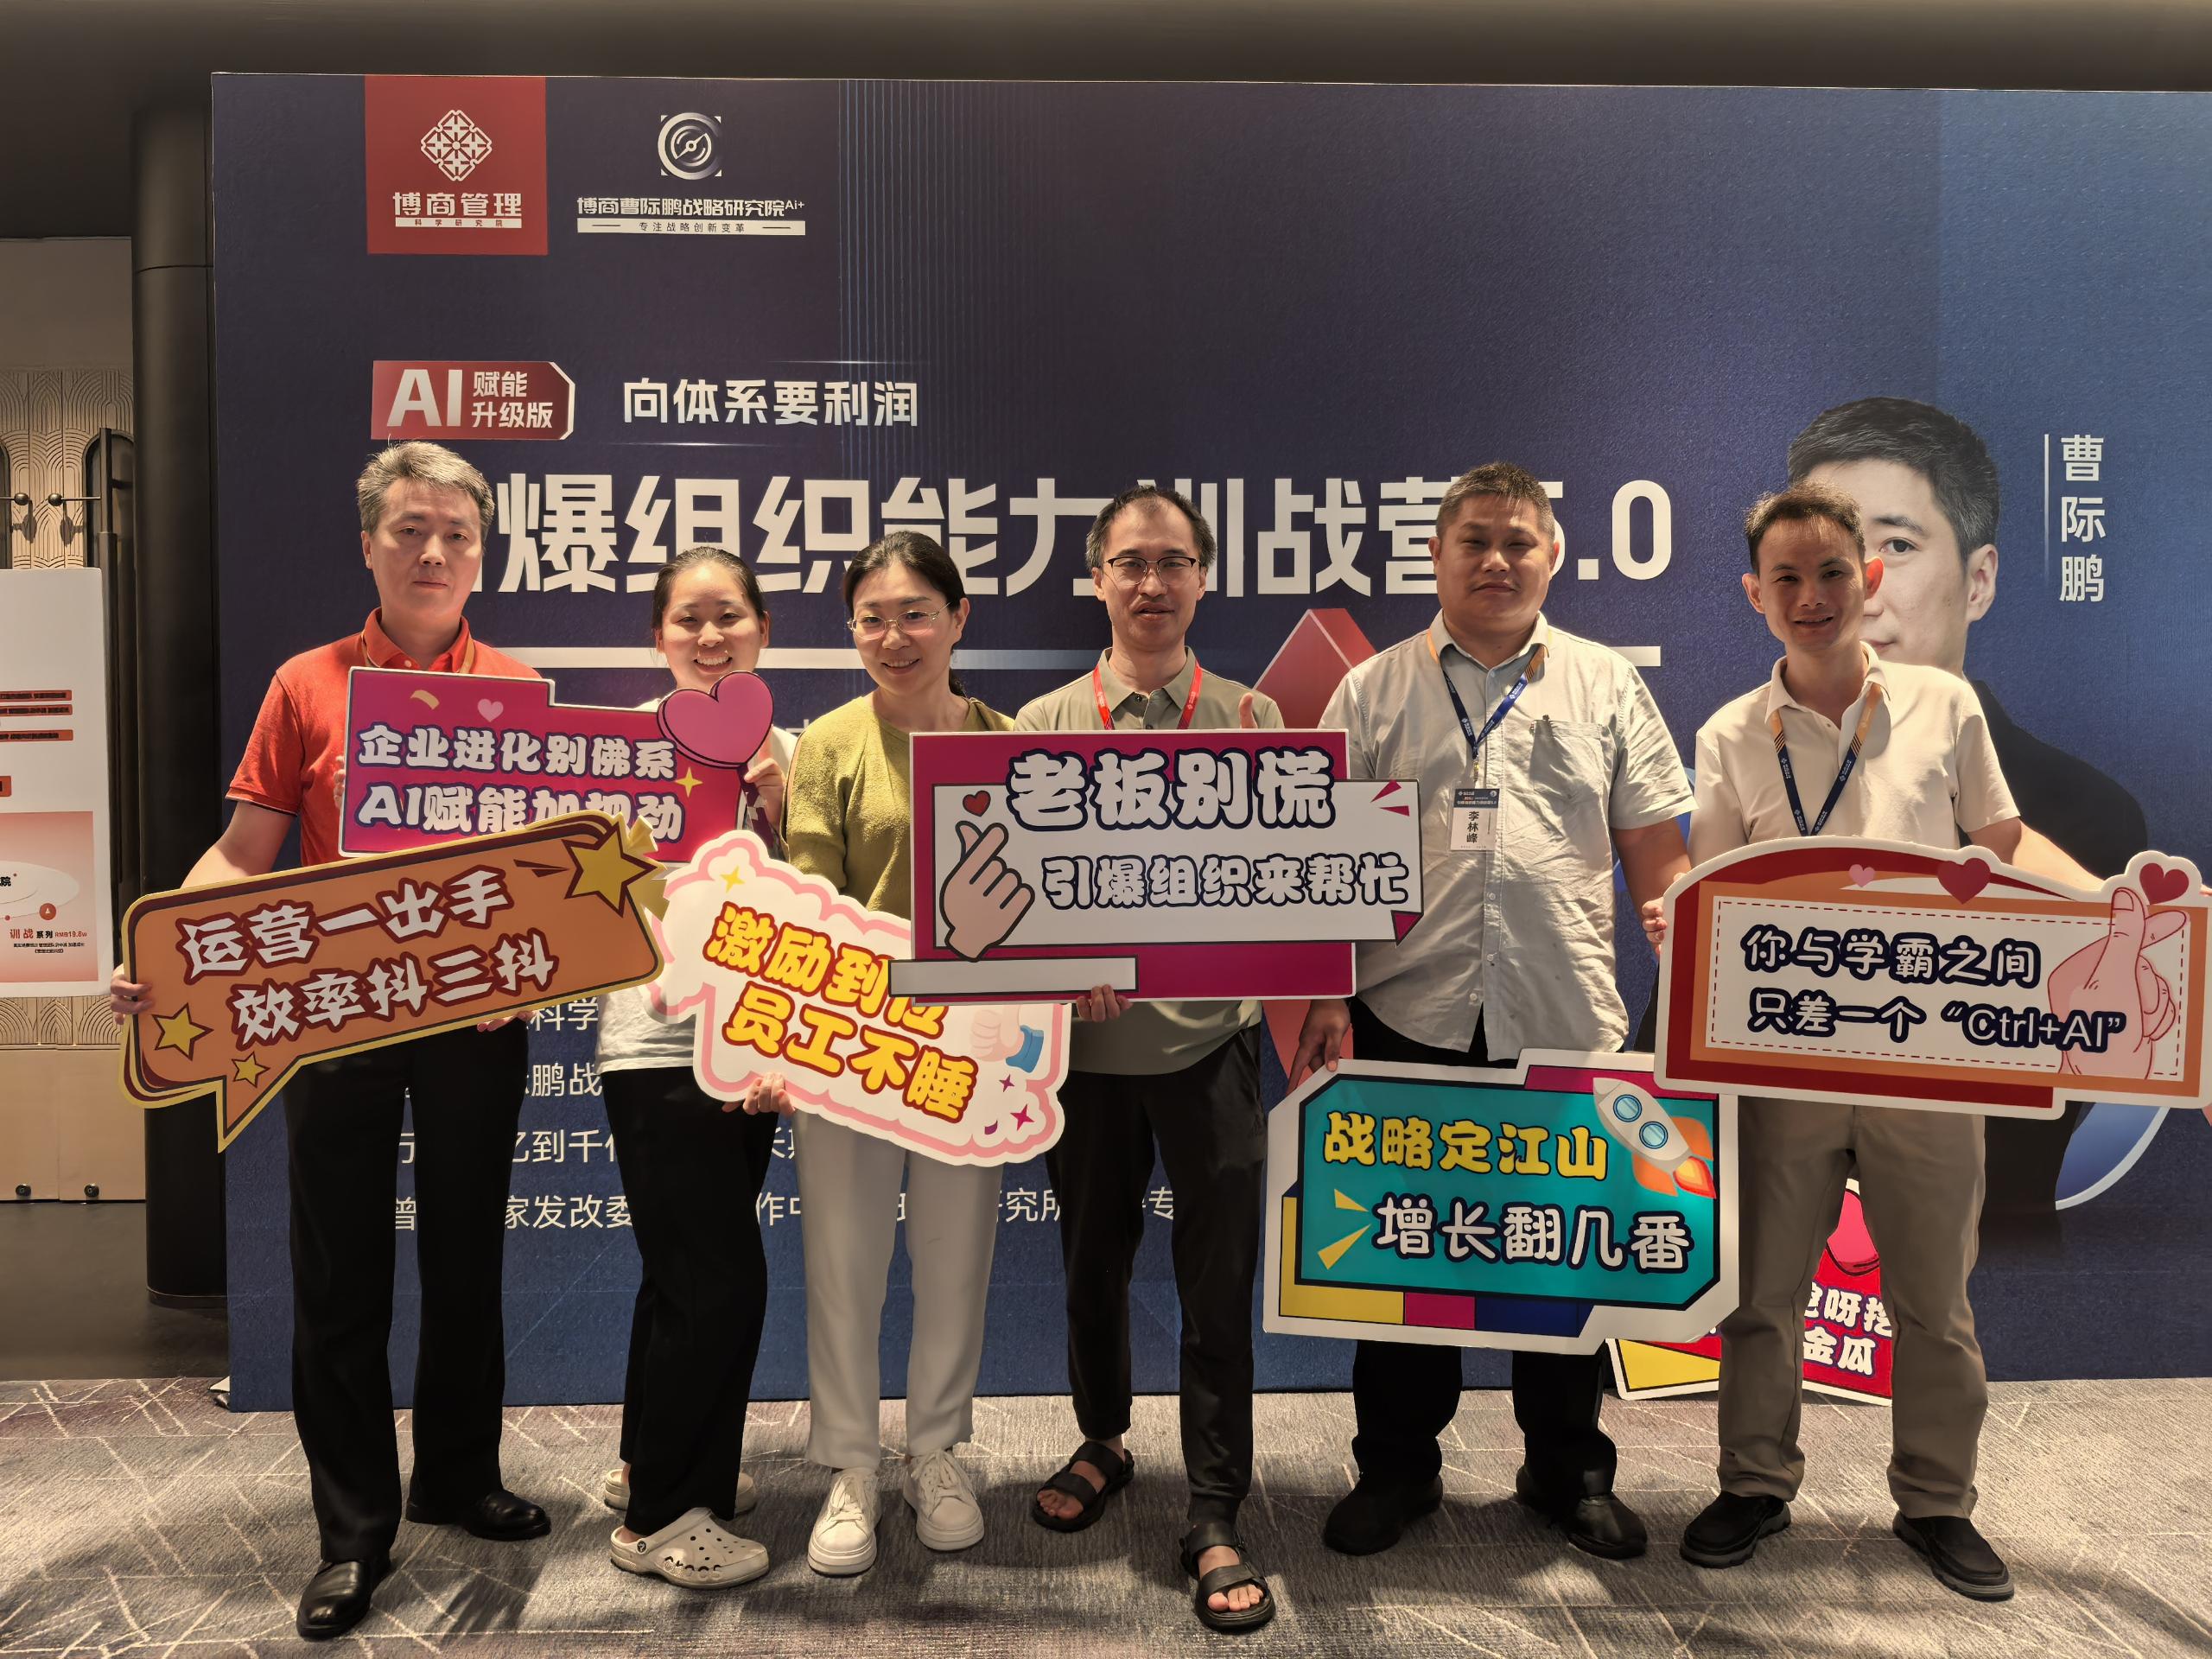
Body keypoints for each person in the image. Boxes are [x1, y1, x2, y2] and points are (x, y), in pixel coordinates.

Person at [107, 442, 546, 1640]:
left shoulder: (517, 690)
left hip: (472, 1013)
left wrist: (528, 969)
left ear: (483, 555)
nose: (434, 552)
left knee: (467, 1258)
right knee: (339, 1271)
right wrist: (166, 952)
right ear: (368, 545)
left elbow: (543, 881)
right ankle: (354, 1531)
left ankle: (458, 1475)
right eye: (410, 529)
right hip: (335, 1017)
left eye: (457, 534)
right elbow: (243, 856)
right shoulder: (308, 684)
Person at [1292, 461, 1693, 1561]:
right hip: (1405, 1009)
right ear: (1435, 555)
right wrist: (1324, 989)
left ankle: (1566, 1471)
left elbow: (1656, 857)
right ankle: (1396, 1470)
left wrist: (1686, 952)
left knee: (1561, 1259)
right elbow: (1325, 865)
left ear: (1553, 555)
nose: (1496, 560)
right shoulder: (1372, 691)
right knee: (1403, 1256)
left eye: (1518, 541)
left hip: (1564, 1014)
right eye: (1473, 540)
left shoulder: (1606, 684)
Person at [1668, 481, 2056, 1600]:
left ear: (1869, 578)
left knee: (1934, 1301)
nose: (1812, 595)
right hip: (1780, 1066)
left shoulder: (1943, 703)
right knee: (1763, 1297)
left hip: (1922, 1063)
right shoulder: (1730, 734)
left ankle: (1936, 1502)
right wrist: (1679, 920)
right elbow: (1711, 888)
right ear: (1753, 594)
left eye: (1832, 572)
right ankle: (1754, 1483)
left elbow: (1999, 841)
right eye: (1786, 578)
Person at [1014, 485, 1281, 1633]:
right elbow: (1004, 900)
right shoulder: (1039, 727)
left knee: (1217, 1283)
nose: (1151, 583)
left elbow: (1290, 891)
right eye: (1129, 562)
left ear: (1203, 579)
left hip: (1212, 1045)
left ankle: (1215, 1505)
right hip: (1084, 1056)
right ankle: (1103, 1440)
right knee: (1091, 1262)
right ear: (1096, 579)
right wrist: (1053, 964)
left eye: (1173, 562)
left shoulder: (1254, 719)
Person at [1789, 396, 2147, 1224]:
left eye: (1896, 546)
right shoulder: (1752, 771)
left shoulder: (2085, 811)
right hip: (1768, 1262)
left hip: (1990, 1267)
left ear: (1977, 581)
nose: (1858, 587)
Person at [750, 531, 1014, 1578]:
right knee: (844, 1264)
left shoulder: (1008, 740)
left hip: (971, 1049)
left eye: (915, 614)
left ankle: (936, 1454)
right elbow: (812, 900)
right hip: (851, 1045)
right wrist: (791, 1037)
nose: (894, 637)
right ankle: (851, 1467)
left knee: (955, 1259)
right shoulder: (828, 744)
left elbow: (1042, 903)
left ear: (958, 619)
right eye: (871, 619)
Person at [594, 547, 793, 1588]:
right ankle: (662, 1520)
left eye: (729, 617)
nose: (710, 637)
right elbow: (578, 899)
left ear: (763, 629)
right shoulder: (622, 753)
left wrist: (781, 809)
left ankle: (655, 1467)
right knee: (715, 1280)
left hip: (756, 1060)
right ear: (658, 637)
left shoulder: (793, 752)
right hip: (659, 1044)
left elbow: (826, 912)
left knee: (684, 1276)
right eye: (688, 619)